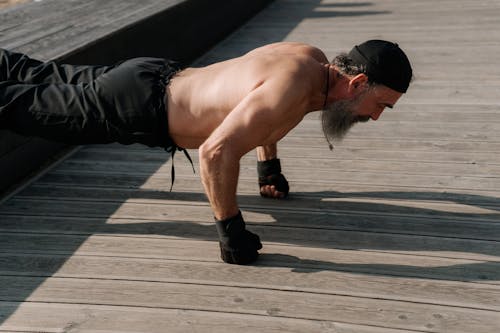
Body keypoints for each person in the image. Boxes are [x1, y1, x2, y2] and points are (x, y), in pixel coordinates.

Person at [0, 40, 412, 264]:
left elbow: (258, 110)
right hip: (139, 108)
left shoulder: (311, 60)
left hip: (152, 75)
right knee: (18, 107)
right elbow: (216, 151)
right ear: (357, 83)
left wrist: (268, 167)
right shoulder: (295, 89)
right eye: (380, 105)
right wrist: (230, 231)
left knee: (32, 74)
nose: (375, 117)